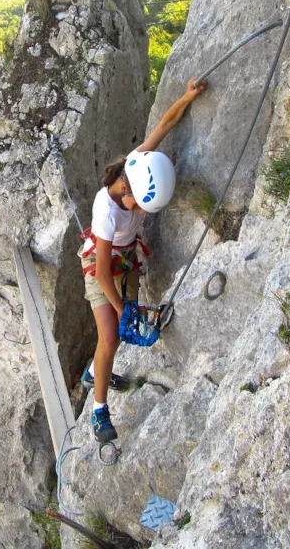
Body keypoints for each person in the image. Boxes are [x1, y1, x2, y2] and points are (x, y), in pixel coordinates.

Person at [78, 77, 207, 442]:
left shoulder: (135, 165)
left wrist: (187, 97)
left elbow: (164, 126)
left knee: (120, 332)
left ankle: (92, 374)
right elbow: (102, 273)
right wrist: (122, 309)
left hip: (127, 261)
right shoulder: (107, 210)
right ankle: (99, 412)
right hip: (102, 268)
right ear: (125, 189)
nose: (141, 211)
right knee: (110, 338)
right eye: (140, 204)